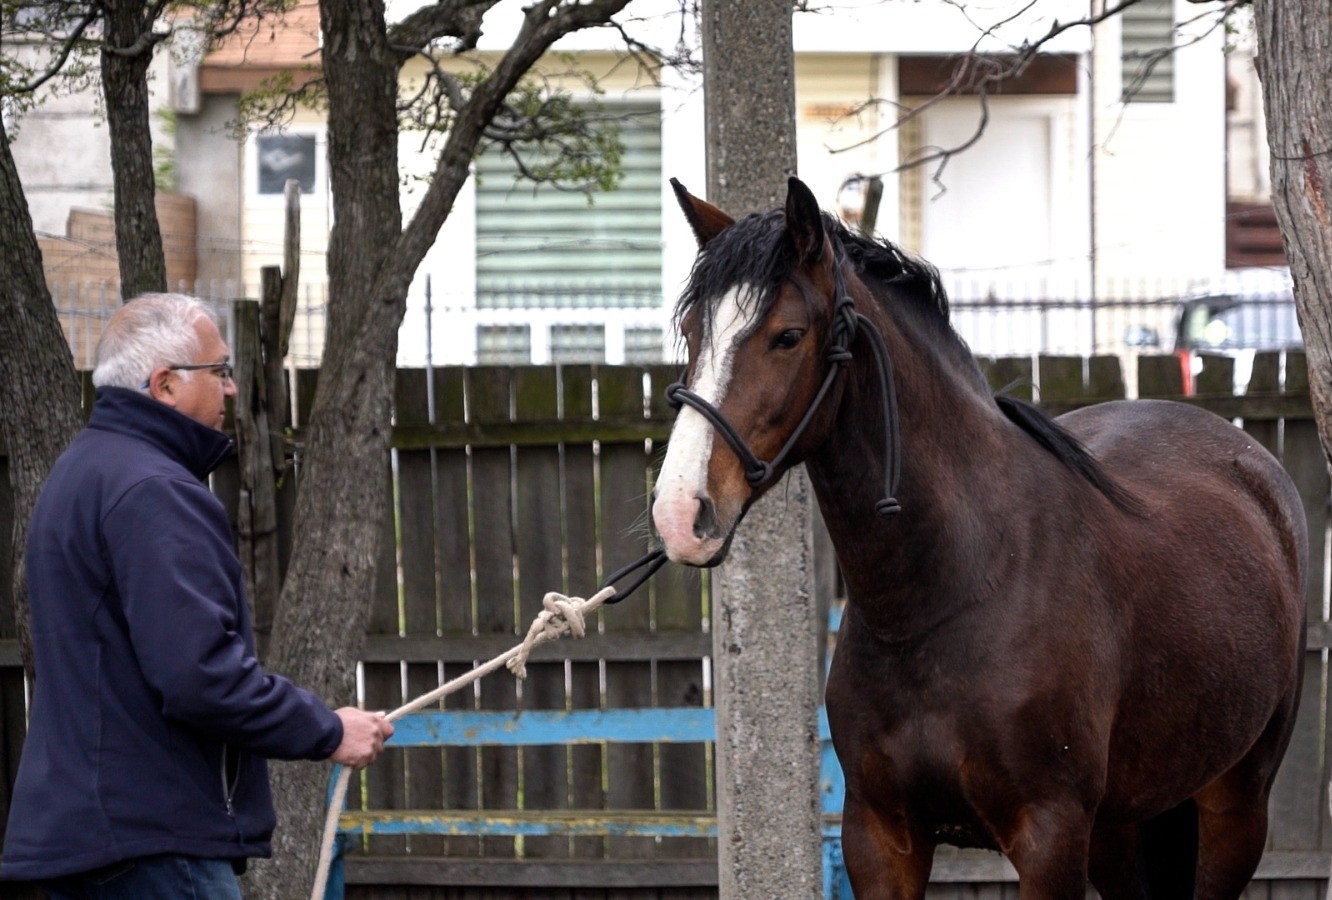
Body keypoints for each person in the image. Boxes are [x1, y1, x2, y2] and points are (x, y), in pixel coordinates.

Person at [0, 293, 394, 897]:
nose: (231, 388)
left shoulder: (81, 473)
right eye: (220, 370)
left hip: (96, 840)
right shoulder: (154, 490)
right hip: (154, 842)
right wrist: (327, 729)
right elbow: (199, 676)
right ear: (165, 384)